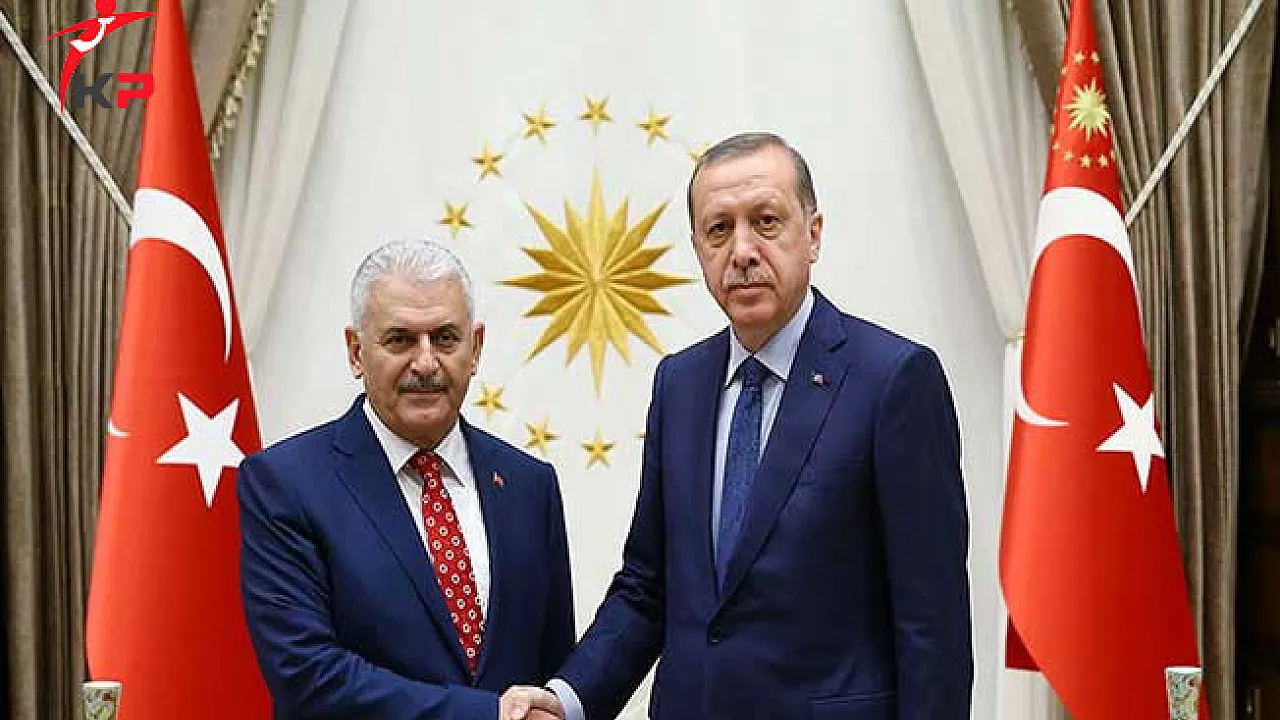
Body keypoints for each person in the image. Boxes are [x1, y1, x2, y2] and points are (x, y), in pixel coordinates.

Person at [506, 132, 973, 720]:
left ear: (813, 234)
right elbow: (648, 588)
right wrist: (566, 698)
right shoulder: (679, 384)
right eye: (719, 229)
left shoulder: (893, 380)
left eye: (766, 222)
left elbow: (932, 629)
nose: (743, 251)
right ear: (698, 248)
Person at [239, 239, 576, 719]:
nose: (425, 363)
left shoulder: (529, 486)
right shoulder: (285, 484)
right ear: (356, 352)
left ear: (475, 348)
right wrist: (487, 715)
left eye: (446, 338)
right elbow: (306, 674)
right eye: (400, 340)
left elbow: (549, 672)